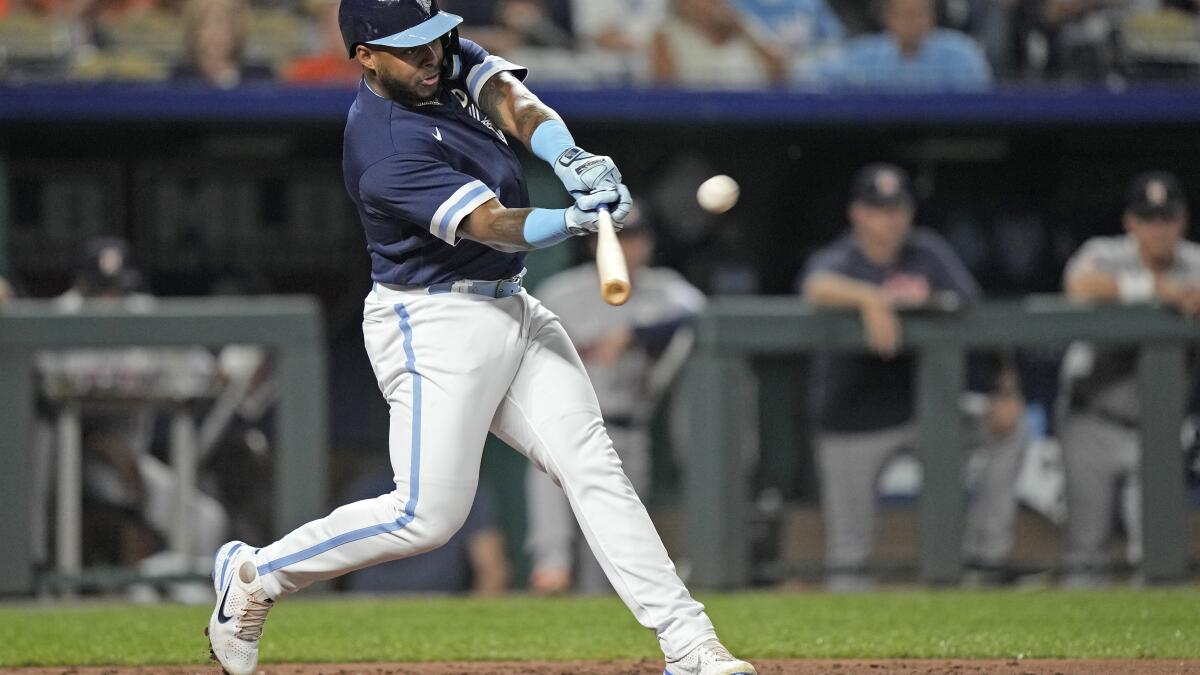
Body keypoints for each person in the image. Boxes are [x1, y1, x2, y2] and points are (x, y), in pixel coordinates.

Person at [204, 3, 755, 675]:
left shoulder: (435, 62)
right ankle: (258, 573)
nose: (433, 55)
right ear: (366, 56)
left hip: (512, 303)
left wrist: (567, 152)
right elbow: (491, 222)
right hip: (432, 323)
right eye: (411, 48)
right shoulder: (381, 146)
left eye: (435, 38)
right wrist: (568, 220)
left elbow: (508, 95)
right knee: (425, 516)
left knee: (593, 467)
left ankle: (689, 643)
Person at [801, 163, 1026, 591]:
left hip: (923, 412)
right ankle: (846, 653)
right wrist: (870, 298)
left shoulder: (928, 253)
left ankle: (984, 559)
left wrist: (1006, 390)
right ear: (857, 214)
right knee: (849, 558)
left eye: (897, 208)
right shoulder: (842, 257)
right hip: (850, 421)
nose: (889, 219)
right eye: (877, 209)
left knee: (1011, 430)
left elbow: (980, 322)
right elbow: (814, 285)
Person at [525, 203, 706, 595]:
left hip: (627, 428)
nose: (625, 248)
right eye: (616, 239)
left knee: (611, 557)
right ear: (594, 245)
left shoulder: (664, 288)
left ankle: (596, 640)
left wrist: (636, 333)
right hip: (562, 426)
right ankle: (550, 577)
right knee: (553, 555)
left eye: (635, 239)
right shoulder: (561, 292)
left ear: (648, 245)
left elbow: (701, 313)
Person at [1057, 170, 1200, 587]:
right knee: (1085, 555)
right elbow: (1079, 287)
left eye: (1166, 219)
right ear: (1130, 223)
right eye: (1148, 219)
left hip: (1158, 427)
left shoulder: (1195, 262)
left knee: (1160, 556)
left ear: (1182, 221)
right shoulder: (1105, 252)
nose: (1158, 229)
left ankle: (1156, 654)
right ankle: (1074, 653)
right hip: (1092, 418)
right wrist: (1157, 288)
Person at [343, 471, 510, 595]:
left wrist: (472, 623)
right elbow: (337, 555)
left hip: (438, 603)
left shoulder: (469, 493)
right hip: (370, 600)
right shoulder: (372, 487)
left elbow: (492, 570)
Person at [810, 0, 992, 90]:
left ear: (932, 16)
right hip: (878, 138)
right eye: (904, 14)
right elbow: (814, 76)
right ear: (888, 18)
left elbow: (982, 97)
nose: (911, 22)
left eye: (918, 14)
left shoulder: (961, 51)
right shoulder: (865, 53)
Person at [650, 0, 788, 88]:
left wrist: (743, 29)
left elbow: (782, 74)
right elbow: (665, 97)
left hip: (756, 122)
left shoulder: (744, 27)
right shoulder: (666, 37)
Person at [172, 0, 273, 88]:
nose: (215, 31)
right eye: (206, 21)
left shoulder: (259, 79)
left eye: (223, 21)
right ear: (193, 28)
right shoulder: (179, 81)